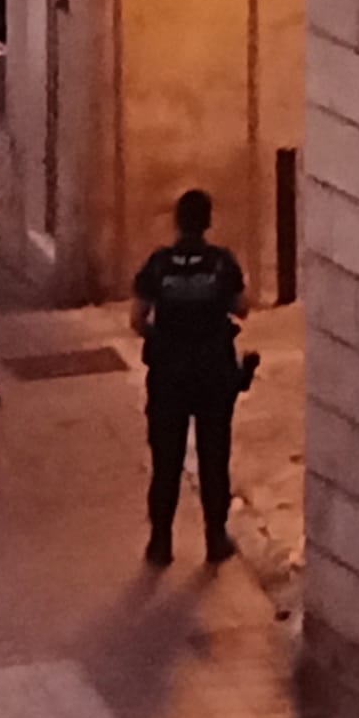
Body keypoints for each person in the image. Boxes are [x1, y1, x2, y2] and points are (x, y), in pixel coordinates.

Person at [131, 189, 258, 567]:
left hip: (168, 376)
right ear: (208, 222)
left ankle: (160, 542)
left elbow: (137, 319)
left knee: (166, 460)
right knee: (214, 458)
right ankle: (215, 539)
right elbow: (242, 308)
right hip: (213, 374)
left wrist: (164, 337)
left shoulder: (159, 264)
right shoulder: (221, 264)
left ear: (177, 221)